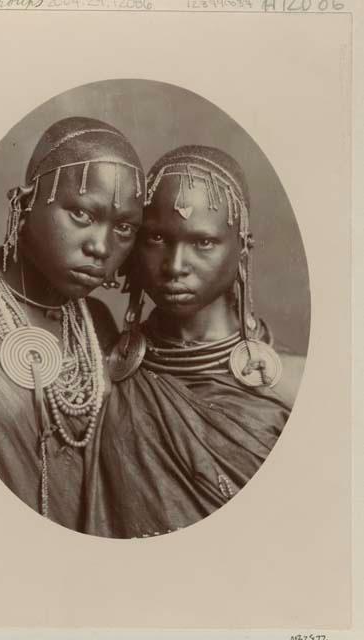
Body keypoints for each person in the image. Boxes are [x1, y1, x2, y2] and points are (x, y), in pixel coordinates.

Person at [85, 145, 305, 538]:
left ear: (242, 249)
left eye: (203, 242)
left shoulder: (295, 385)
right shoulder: (97, 366)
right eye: (155, 238)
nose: (174, 266)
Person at [0, 116, 145, 530]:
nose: (101, 246)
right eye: (82, 215)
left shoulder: (97, 323)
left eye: (123, 227)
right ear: (25, 204)